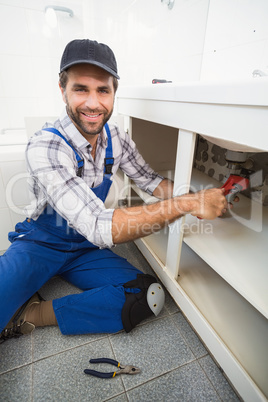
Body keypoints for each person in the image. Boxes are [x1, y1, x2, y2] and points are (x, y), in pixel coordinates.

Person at [0, 39, 228, 342]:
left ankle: (30, 314)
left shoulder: (116, 138)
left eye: (103, 90)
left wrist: (202, 196)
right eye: (81, 89)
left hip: (84, 249)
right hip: (41, 243)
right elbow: (98, 226)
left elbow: (152, 182)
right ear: (62, 89)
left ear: (114, 92)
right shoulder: (47, 145)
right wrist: (187, 203)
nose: (93, 103)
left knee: (149, 295)